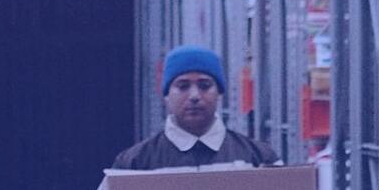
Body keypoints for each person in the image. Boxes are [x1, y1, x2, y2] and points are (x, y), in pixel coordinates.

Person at [111, 45, 281, 169]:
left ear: (220, 93)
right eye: (183, 86)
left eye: (204, 85)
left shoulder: (259, 158)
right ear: (166, 95)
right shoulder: (134, 163)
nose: (194, 96)